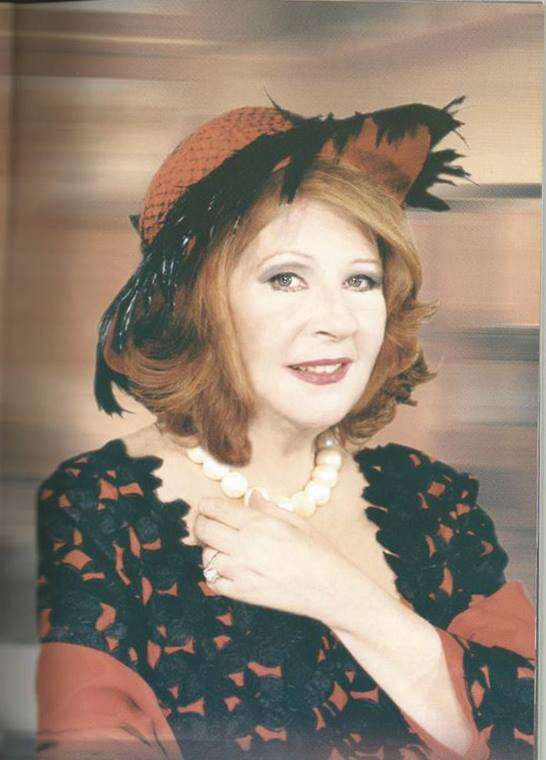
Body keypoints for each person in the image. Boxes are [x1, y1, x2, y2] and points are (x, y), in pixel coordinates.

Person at [35, 97, 535, 760]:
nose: (337, 321)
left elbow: (526, 729)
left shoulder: (434, 503)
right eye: (287, 278)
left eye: (361, 280)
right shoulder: (99, 508)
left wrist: (340, 595)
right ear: (198, 304)